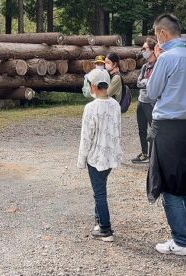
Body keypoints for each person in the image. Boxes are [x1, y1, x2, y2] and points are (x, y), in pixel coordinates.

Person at [145, 13, 186, 256]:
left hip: (168, 125)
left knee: (170, 185)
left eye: (155, 34)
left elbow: (152, 92)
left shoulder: (167, 58)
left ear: (162, 34)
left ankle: (181, 241)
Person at [77, 68, 122, 242]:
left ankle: (105, 228)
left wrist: (81, 160)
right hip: (111, 156)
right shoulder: (115, 105)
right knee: (101, 188)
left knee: (99, 193)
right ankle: (99, 221)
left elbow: (86, 137)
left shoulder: (91, 108)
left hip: (96, 157)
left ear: (93, 86)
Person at [132, 38, 157, 164]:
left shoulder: (158, 65)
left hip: (151, 102)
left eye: (145, 49)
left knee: (153, 130)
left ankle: (154, 156)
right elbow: (138, 83)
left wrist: (147, 82)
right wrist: (147, 82)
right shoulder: (144, 67)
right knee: (142, 129)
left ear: (153, 50)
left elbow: (154, 83)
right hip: (141, 101)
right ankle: (144, 153)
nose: (143, 51)